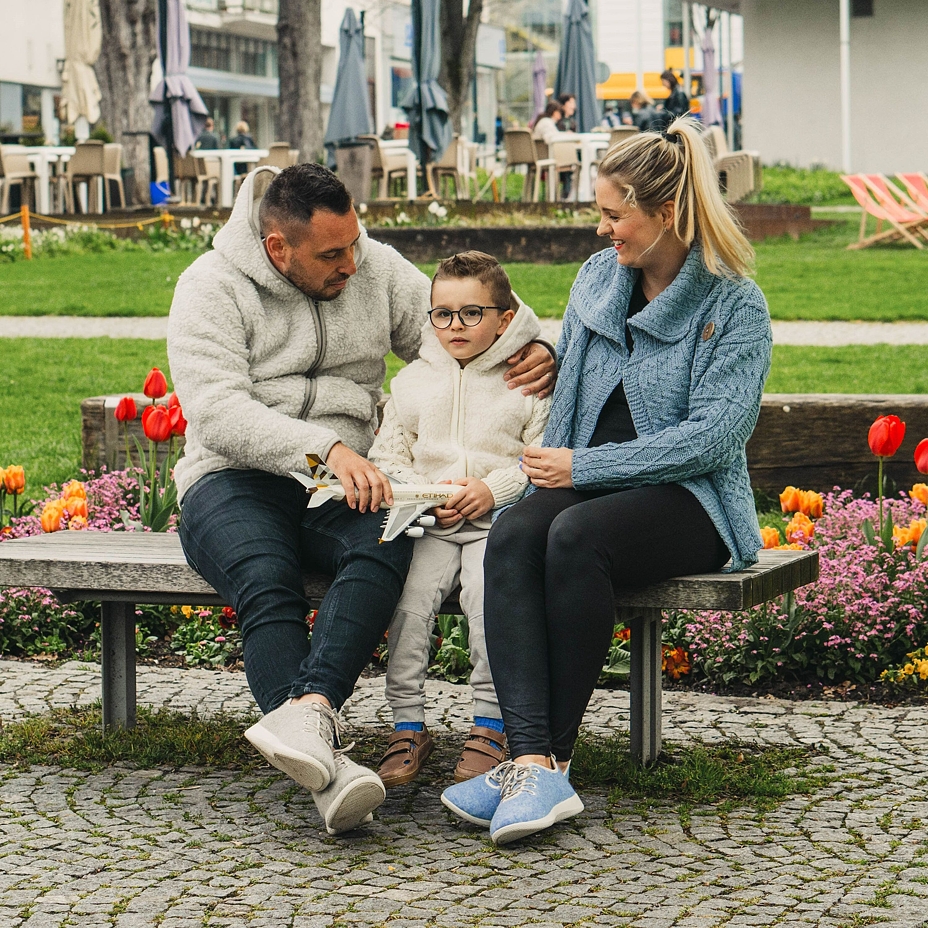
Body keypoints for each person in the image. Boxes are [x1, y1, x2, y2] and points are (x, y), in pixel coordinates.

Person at [167, 163, 555, 837]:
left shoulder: (372, 266)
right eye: (332, 254)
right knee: (266, 579)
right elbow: (218, 410)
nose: (353, 263)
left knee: (387, 539)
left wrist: (540, 343)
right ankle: (330, 770)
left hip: (344, 480)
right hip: (232, 476)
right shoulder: (210, 287)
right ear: (277, 248)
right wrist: (326, 452)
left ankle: (312, 715)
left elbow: (471, 319)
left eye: (355, 242)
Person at [440, 116, 772, 845]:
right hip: (588, 479)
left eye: (614, 214)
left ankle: (548, 759)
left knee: (576, 535)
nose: (602, 230)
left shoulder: (734, 305)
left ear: (667, 214)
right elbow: (577, 396)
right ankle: (528, 758)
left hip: (693, 501)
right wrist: (549, 452)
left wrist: (582, 469)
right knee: (521, 530)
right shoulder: (598, 279)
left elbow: (713, 439)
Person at [368, 252, 551, 790]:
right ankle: (407, 726)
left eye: (472, 313)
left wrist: (492, 490)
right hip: (431, 523)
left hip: (498, 523)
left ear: (504, 314)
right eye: (442, 314)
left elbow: (542, 455)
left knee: (486, 603)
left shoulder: (527, 381)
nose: (455, 326)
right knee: (408, 604)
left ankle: (490, 726)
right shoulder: (413, 383)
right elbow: (389, 456)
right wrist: (424, 494)